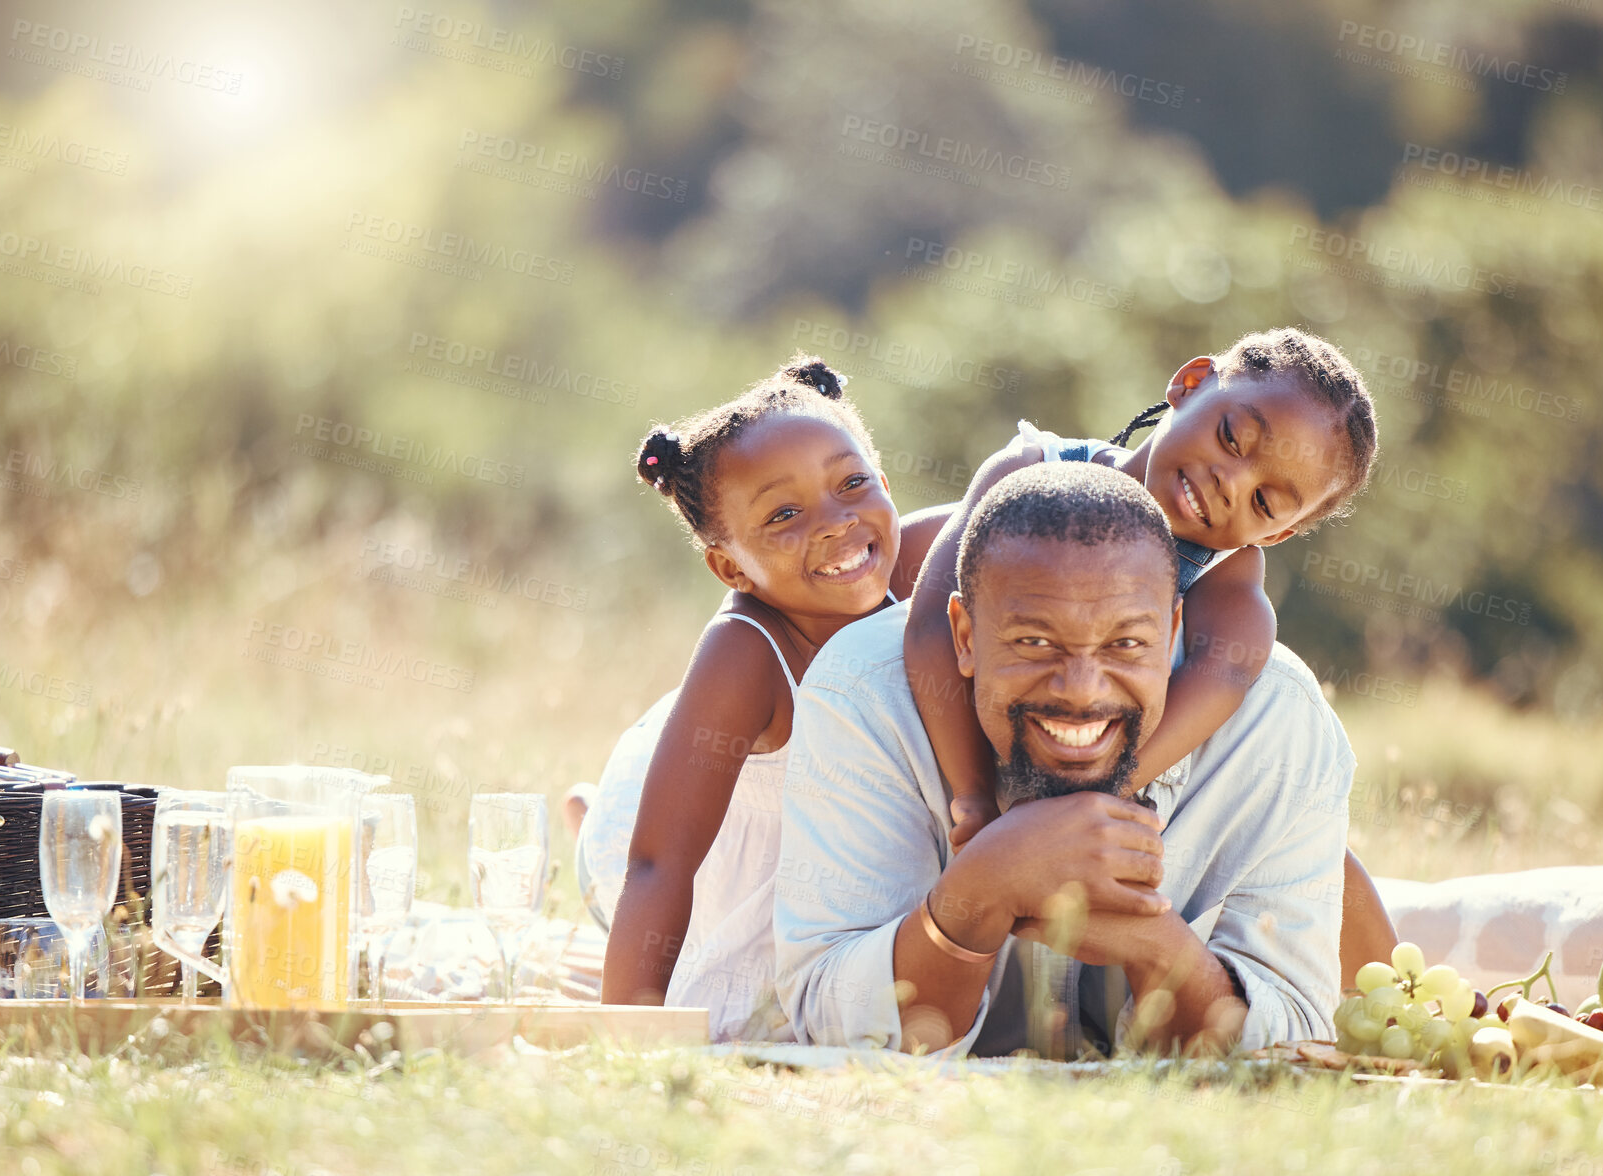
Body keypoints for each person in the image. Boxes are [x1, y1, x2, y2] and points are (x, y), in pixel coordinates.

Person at [776, 463, 1356, 1056]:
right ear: (966, 636)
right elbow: (829, 1024)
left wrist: (1154, 941)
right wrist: (980, 891)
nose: (1081, 690)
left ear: (1172, 627)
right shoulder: (862, 692)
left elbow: (1293, 1043)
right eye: (1034, 642)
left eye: (1126, 643)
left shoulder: (1280, 722)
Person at [904, 328, 1398, 982]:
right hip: (970, 745)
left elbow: (1222, 680)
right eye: (1231, 439)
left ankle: (1413, 997)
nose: (1230, 482)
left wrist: (1097, 800)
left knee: (1309, 846)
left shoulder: (1230, 592)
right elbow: (931, 628)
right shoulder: (1030, 473)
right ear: (1189, 384)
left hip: (1098, 776)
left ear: (1278, 532)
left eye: (1262, 501)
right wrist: (970, 797)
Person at [583, 356, 948, 1039]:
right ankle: (583, 824)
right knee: (742, 1003)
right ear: (730, 567)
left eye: (852, 483)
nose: (837, 522)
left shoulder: (922, 557)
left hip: (828, 843)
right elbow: (660, 862)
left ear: (885, 482)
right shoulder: (747, 652)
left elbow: (1041, 503)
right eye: (784, 514)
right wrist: (626, 1038)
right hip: (679, 837)